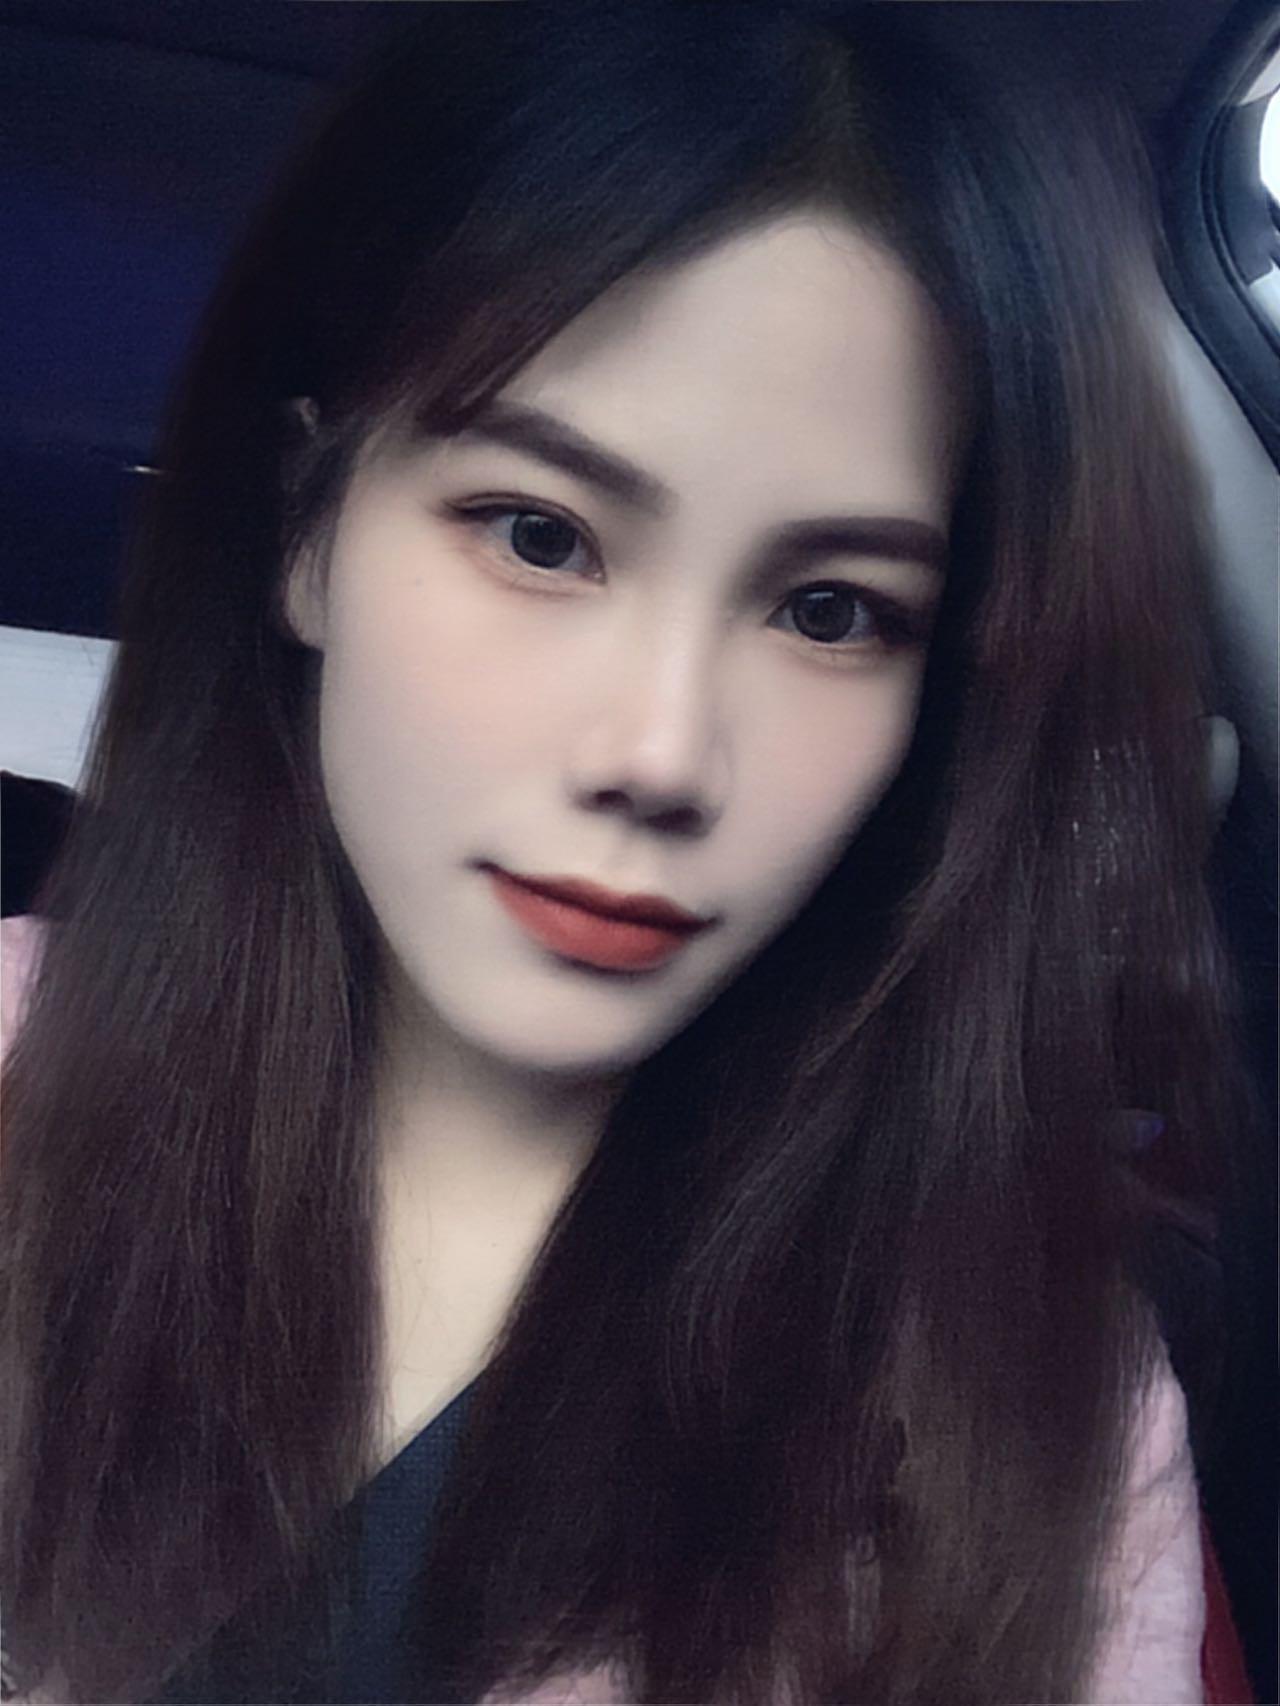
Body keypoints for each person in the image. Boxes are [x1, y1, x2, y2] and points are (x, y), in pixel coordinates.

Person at [0, 3, 1258, 1701]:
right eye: (540, 534)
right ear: (304, 533)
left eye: (832, 612)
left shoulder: (1038, 1394)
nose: (660, 755)